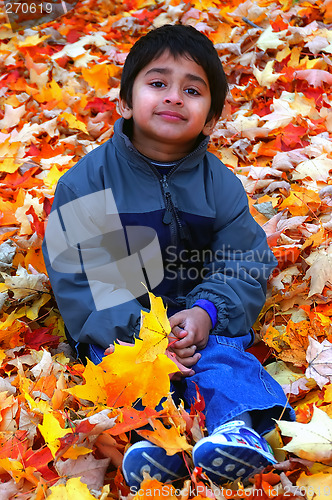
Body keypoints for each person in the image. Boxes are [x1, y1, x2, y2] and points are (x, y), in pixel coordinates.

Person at [42, 24, 295, 490]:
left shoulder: (219, 185)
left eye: (192, 90)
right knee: (124, 374)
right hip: (124, 331)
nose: (174, 97)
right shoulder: (86, 184)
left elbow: (244, 259)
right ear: (124, 102)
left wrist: (206, 311)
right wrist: (147, 336)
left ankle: (235, 432)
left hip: (201, 327)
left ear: (212, 119)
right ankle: (157, 446)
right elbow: (85, 281)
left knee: (223, 360)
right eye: (158, 83)